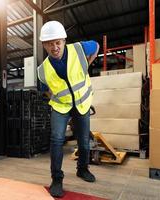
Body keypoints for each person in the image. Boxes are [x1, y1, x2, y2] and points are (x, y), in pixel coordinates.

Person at [37, 21, 99, 198]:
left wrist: (87, 64)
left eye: (57, 42)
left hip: (82, 103)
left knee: (84, 140)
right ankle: (56, 179)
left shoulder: (79, 49)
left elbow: (96, 45)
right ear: (44, 45)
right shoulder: (42, 70)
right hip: (61, 107)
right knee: (56, 139)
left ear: (64, 40)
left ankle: (83, 169)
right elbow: (44, 89)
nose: (54, 47)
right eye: (49, 43)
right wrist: (59, 99)